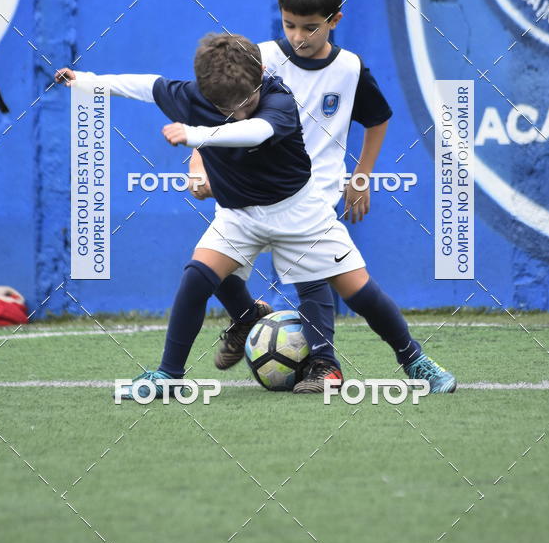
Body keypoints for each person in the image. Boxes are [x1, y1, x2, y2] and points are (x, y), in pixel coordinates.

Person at [55, 32, 456, 399]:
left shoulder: (278, 100)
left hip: (301, 214)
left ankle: (415, 360)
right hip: (239, 216)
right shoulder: (194, 96)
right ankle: (167, 375)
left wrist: (197, 135)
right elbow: (144, 86)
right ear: (203, 93)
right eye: (222, 108)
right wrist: (86, 81)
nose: (237, 113)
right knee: (197, 277)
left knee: (361, 293)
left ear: (261, 75)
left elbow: (256, 132)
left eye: (244, 102)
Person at [191, 0, 456, 393]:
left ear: (335, 20)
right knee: (209, 271)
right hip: (252, 192)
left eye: (310, 27)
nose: (298, 36)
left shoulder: (349, 69)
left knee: (350, 288)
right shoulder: (260, 59)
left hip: (309, 197)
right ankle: (246, 319)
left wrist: (361, 177)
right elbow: (216, 112)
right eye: (290, 25)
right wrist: (200, 162)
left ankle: (390, 361)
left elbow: (377, 119)